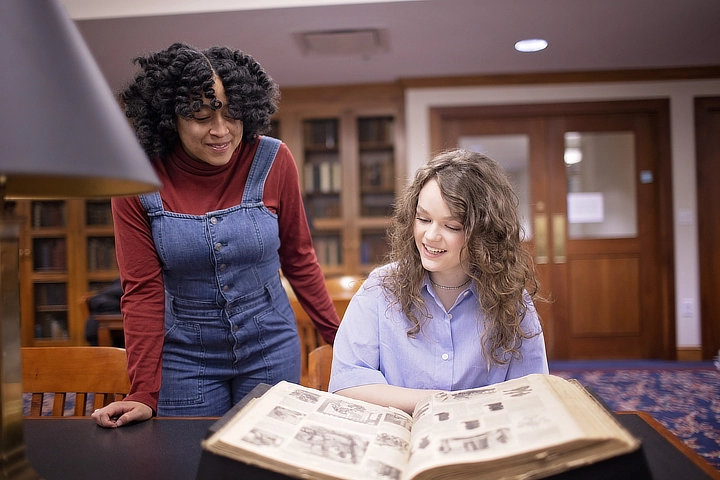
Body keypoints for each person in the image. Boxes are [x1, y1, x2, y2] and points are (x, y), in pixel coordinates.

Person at [92, 43, 340, 428]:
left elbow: (299, 257)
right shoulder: (136, 180)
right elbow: (141, 291)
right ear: (168, 117)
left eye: (233, 115)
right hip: (185, 357)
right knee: (190, 461)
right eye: (201, 117)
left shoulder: (274, 160)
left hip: (271, 346)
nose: (221, 131)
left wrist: (337, 337)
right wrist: (142, 390)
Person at [329, 149, 548, 414]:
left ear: (484, 233)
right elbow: (346, 385)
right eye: (423, 219)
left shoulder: (511, 300)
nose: (431, 236)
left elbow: (533, 393)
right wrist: (440, 402)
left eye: (452, 226)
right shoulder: (380, 289)